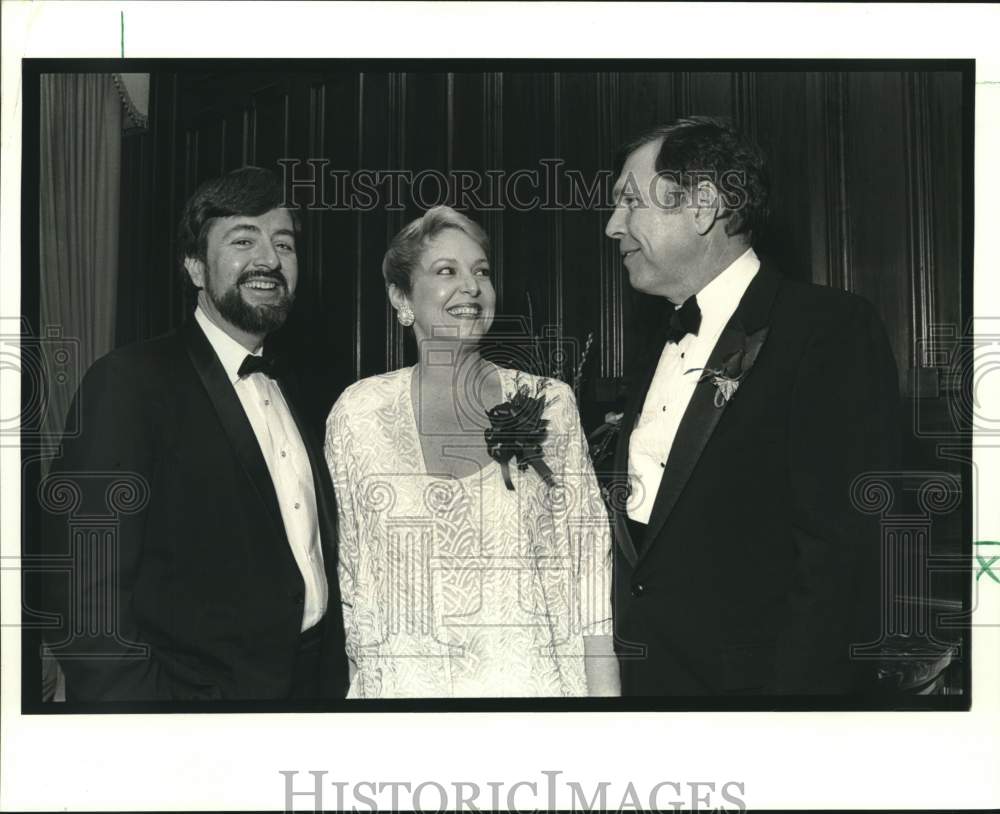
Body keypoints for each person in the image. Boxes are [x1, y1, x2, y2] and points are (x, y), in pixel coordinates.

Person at [604, 117, 900, 695]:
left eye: (629, 202)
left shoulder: (829, 329)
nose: (614, 226)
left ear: (703, 205)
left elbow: (842, 560)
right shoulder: (652, 351)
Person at [41, 167, 348, 702]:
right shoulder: (129, 382)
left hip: (310, 698)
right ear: (195, 268)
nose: (270, 260)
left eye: (283, 243)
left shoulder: (304, 391)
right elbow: (84, 595)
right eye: (242, 239)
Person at [324, 206, 619, 698]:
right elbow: (357, 585)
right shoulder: (358, 415)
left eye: (481, 271)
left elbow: (591, 573)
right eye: (447, 272)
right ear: (402, 297)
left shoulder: (550, 403)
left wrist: (607, 711)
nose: (472, 286)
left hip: (534, 701)